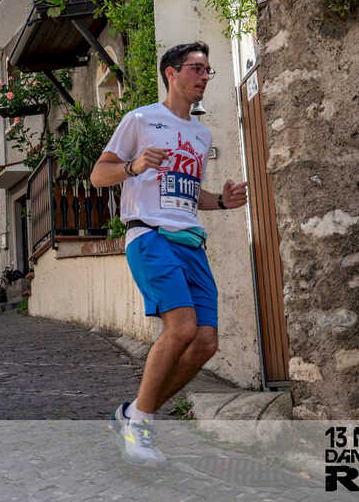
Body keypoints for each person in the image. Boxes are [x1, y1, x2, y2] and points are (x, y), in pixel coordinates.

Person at [90, 41, 248, 466]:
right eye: (197, 68)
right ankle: (139, 426)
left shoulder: (201, 134)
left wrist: (223, 201)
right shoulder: (140, 120)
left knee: (205, 343)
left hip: (191, 241)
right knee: (181, 329)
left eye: (208, 70)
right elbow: (98, 175)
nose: (204, 77)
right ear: (171, 73)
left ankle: (134, 413)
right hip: (150, 235)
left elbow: (188, 194)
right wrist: (134, 166)